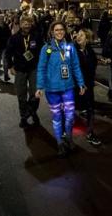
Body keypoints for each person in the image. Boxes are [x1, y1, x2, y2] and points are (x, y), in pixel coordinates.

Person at [35, 21, 86, 156]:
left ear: (65, 31)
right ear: (52, 32)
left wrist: (81, 83)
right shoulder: (46, 49)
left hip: (68, 87)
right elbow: (41, 68)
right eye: (56, 30)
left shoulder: (70, 47)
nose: (59, 32)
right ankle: (59, 143)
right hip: (52, 90)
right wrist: (40, 86)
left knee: (69, 116)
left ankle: (68, 138)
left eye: (61, 29)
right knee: (57, 116)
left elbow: (75, 66)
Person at [5, 16, 42, 127]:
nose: (27, 25)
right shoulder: (14, 38)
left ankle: (31, 112)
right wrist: (10, 67)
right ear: (20, 24)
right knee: (21, 95)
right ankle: (23, 117)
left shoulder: (37, 36)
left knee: (35, 94)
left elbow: (44, 50)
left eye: (29, 23)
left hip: (34, 68)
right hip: (20, 69)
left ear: (31, 24)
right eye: (24, 23)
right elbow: (8, 53)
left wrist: (50, 52)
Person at [74, 28, 102, 146]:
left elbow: (93, 64)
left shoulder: (89, 51)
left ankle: (90, 133)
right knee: (70, 109)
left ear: (87, 39)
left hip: (88, 85)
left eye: (82, 35)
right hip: (75, 86)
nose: (78, 37)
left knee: (90, 109)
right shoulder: (72, 50)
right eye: (78, 35)